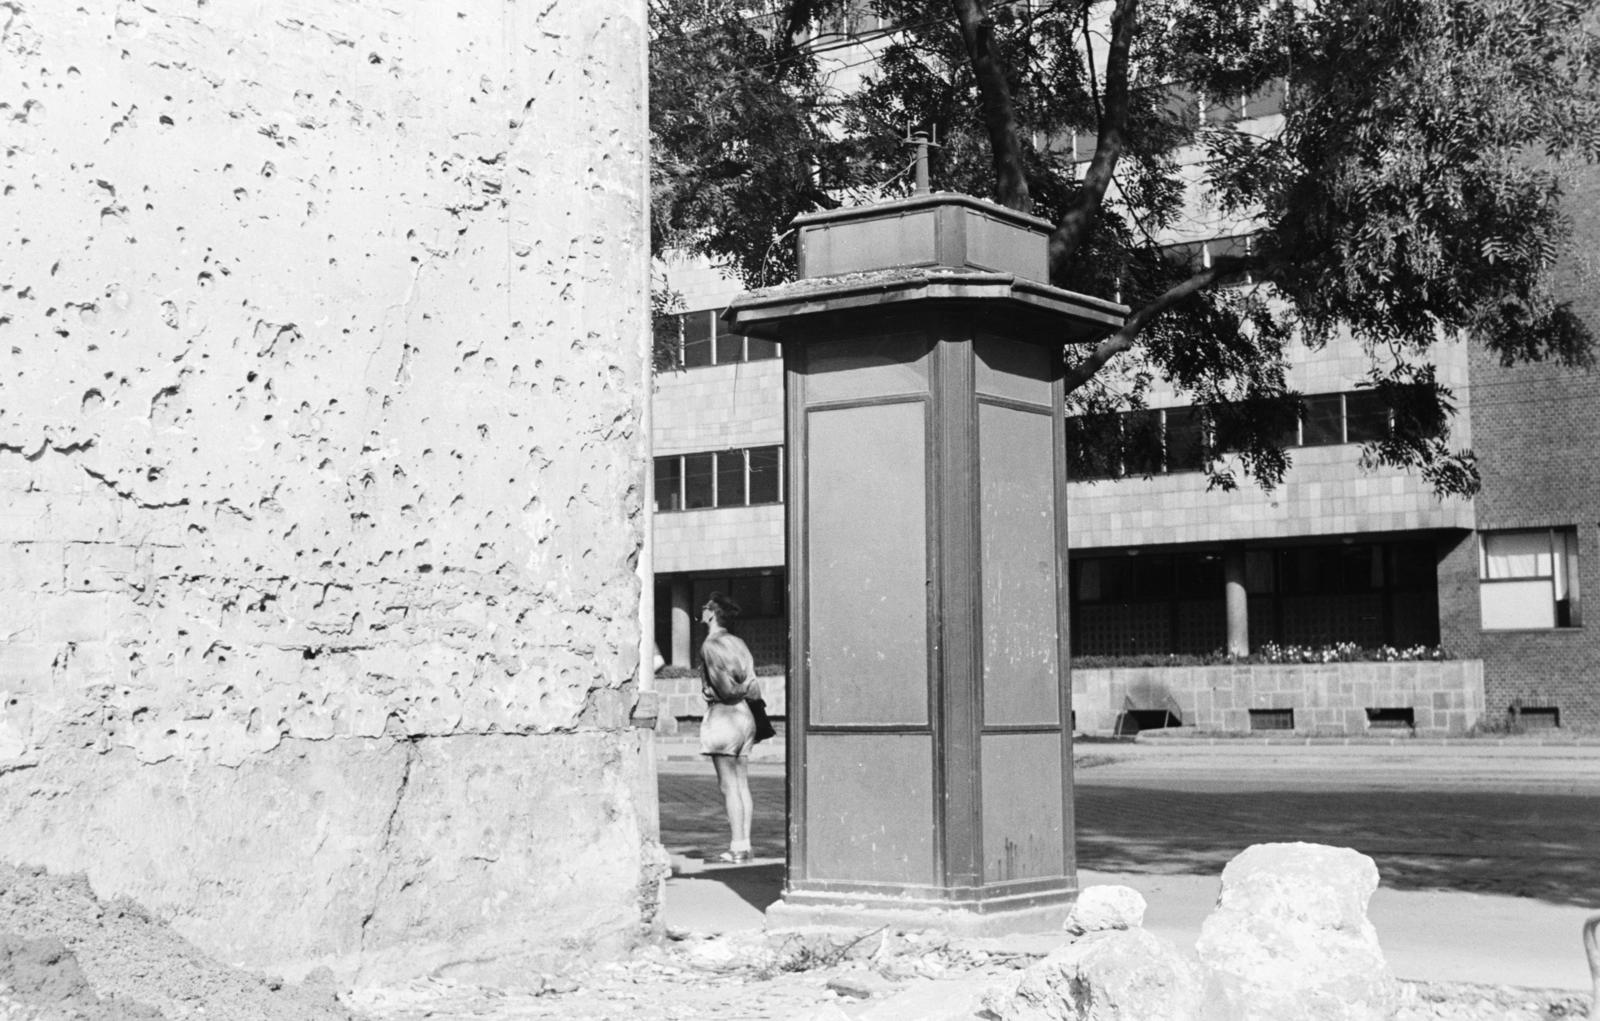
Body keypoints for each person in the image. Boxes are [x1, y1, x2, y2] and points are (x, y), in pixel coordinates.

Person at [698, 591, 757, 864]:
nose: (702, 610)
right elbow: (753, 686)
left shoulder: (710, 646)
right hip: (746, 716)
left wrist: (718, 691)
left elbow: (723, 688)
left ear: (711, 614)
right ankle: (745, 845)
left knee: (728, 785)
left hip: (724, 716)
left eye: (705, 607)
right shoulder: (740, 643)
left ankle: (735, 848)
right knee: (742, 782)